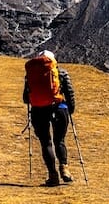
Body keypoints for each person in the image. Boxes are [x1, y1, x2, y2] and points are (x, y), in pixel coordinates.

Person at [23, 50, 76, 186]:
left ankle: (53, 175)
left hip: (38, 111)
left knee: (46, 142)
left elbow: (25, 98)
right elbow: (69, 93)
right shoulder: (61, 72)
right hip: (59, 109)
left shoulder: (31, 74)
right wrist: (70, 109)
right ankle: (64, 169)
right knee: (59, 140)